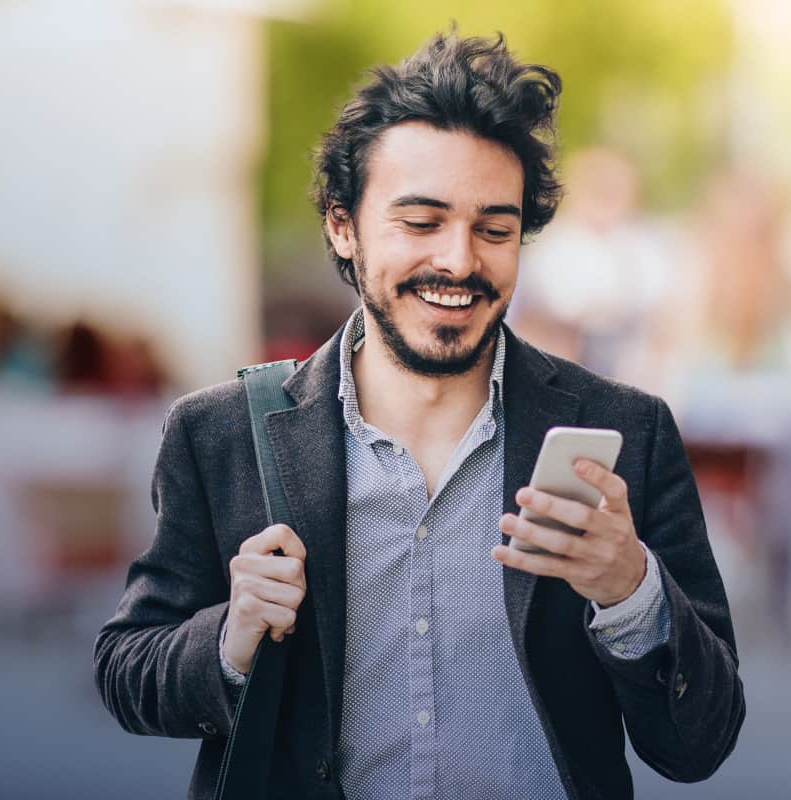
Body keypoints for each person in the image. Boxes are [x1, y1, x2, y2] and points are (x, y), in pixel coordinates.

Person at [93, 31, 745, 800]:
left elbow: (699, 742)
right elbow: (127, 669)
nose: (461, 261)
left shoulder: (627, 437)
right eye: (421, 221)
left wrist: (631, 590)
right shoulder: (220, 435)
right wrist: (230, 639)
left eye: (495, 230)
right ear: (344, 226)